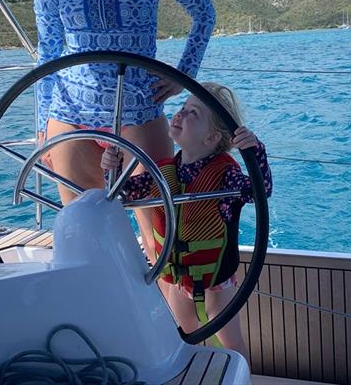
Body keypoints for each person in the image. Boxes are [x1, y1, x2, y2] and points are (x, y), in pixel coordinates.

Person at [32, 0, 216, 259]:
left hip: (138, 105)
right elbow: (48, 49)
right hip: (70, 113)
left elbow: (204, 12)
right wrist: (42, 121)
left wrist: (181, 74)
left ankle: (167, 322)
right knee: (83, 232)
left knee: (164, 239)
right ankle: (100, 320)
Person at [101, 82, 273, 357]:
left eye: (193, 113)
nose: (180, 114)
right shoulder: (163, 172)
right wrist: (113, 167)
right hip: (177, 283)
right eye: (182, 107)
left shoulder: (225, 176)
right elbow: (123, 193)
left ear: (212, 138)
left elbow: (260, 192)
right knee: (181, 344)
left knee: (231, 347)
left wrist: (256, 152)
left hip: (216, 286)